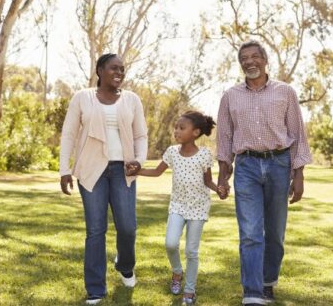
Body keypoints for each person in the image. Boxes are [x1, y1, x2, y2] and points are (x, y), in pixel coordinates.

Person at [216, 40, 312, 305]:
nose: (249, 62)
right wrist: (223, 176)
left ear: (265, 59)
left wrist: (299, 174)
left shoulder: (285, 92)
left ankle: (268, 281)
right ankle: (253, 292)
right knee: (250, 232)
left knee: (275, 232)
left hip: (279, 164)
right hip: (246, 166)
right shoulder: (230, 96)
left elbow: (297, 135)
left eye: (255, 56)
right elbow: (224, 139)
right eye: (244, 58)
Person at [59, 53, 148, 305]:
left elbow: (141, 135)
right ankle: (96, 289)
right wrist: (64, 169)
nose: (119, 72)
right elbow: (68, 134)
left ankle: (125, 265)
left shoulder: (132, 100)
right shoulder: (82, 97)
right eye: (113, 68)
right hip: (91, 169)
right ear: (99, 70)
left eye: (122, 69)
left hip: (124, 170)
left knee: (128, 227)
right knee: (95, 230)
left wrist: (139, 161)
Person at [128, 111, 226, 305]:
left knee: (192, 250)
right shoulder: (172, 152)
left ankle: (189, 291)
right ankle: (177, 271)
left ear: (196, 132)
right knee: (170, 243)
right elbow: (157, 172)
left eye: (182, 128)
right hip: (178, 205)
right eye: (176, 127)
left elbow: (208, 181)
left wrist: (219, 190)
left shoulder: (204, 155)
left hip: (198, 207)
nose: (176, 131)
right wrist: (137, 170)